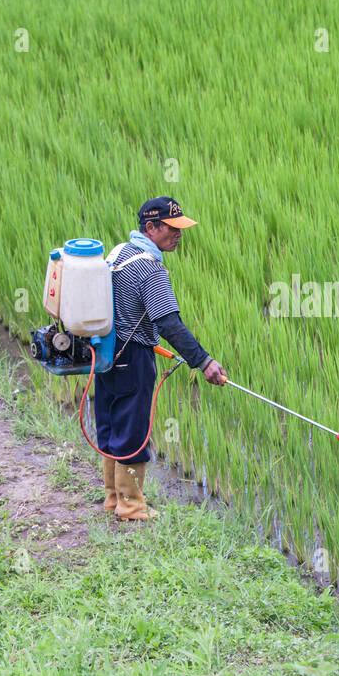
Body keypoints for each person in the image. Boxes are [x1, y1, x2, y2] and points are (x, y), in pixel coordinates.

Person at [95, 196, 227, 520]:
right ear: (151, 227)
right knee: (134, 427)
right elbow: (168, 323)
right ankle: (131, 505)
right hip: (134, 357)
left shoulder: (118, 252)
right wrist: (205, 362)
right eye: (172, 228)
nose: (179, 234)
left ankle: (113, 498)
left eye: (181, 228)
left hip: (106, 353)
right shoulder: (150, 269)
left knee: (112, 422)